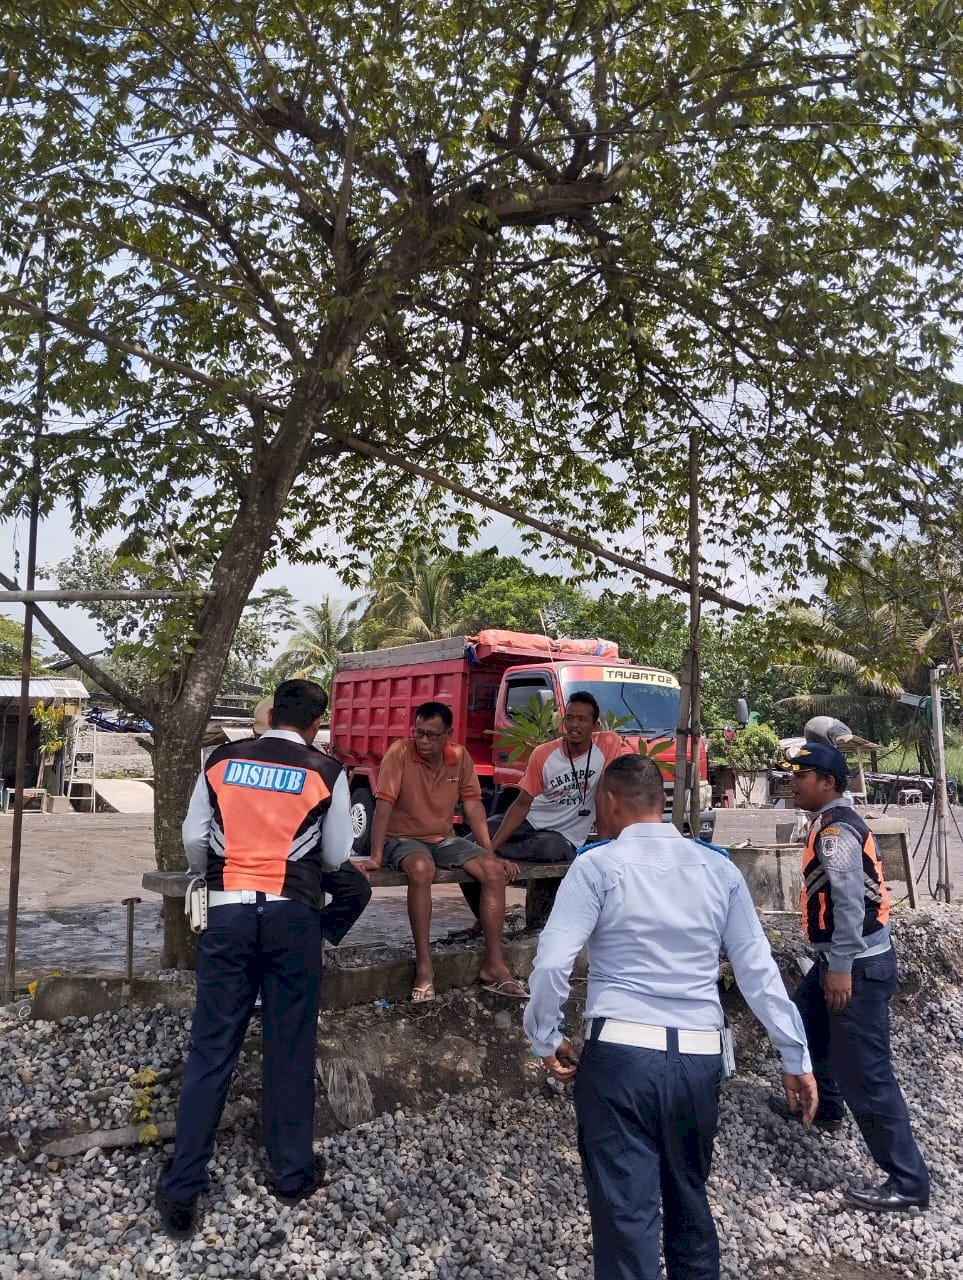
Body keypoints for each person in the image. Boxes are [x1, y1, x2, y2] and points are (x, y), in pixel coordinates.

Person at [524, 755, 817, 1280]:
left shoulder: (596, 866)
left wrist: (544, 1035)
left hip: (620, 1059)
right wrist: (794, 1053)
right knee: (689, 1199)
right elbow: (757, 969)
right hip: (698, 1062)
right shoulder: (717, 868)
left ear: (610, 803)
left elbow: (551, 963)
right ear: (660, 804)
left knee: (626, 1217)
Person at [155, 679, 357, 1240]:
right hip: (293, 918)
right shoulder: (326, 771)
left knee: (213, 1046)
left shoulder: (221, 760)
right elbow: (338, 854)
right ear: (316, 721)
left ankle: (182, 1188)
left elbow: (194, 839)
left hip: (229, 914)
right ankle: (291, 1174)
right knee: (289, 1044)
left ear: (270, 713)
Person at [767, 741, 930, 1212]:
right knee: (805, 1015)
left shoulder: (836, 831)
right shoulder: (832, 823)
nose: (793, 782)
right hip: (843, 962)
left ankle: (907, 1181)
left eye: (802, 775)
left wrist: (839, 968)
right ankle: (826, 1106)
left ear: (829, 782)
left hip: (854, 966)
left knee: (869, 1075)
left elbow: (849, 902)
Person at [359, 701, 526, 1002]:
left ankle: (495, 964)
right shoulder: (399, 753)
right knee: (421, 869)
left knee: (492, 872)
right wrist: (376, 856)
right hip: (403, 838)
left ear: (448, 734)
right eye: (419, 733)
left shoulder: (460, 757)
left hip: (443, 838)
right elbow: (383, 806)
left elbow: (473, 806)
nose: (424, 741)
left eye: (432, 735)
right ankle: (424, 966)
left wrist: (490, 853)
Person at [460, 690, 632, 921]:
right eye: (569, 718)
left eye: (582, 720)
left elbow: (603, 798)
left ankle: (488, 855)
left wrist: (602, 848)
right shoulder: (544, 753)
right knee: (465, 847)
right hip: (530, 822)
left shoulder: (607, 744)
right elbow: (521, 805)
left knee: (547, 848)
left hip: (562, 837)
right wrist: (490, 851)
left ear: (595, 725)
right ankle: (484, 921)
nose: (574, 725)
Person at [252, 689, 371, 949]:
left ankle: (307, 935)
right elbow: (333, 852)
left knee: (356, 888)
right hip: (294, 863)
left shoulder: (232, 761)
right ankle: (303, 939)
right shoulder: (322, 767)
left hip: (261, 862)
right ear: (316, 724)